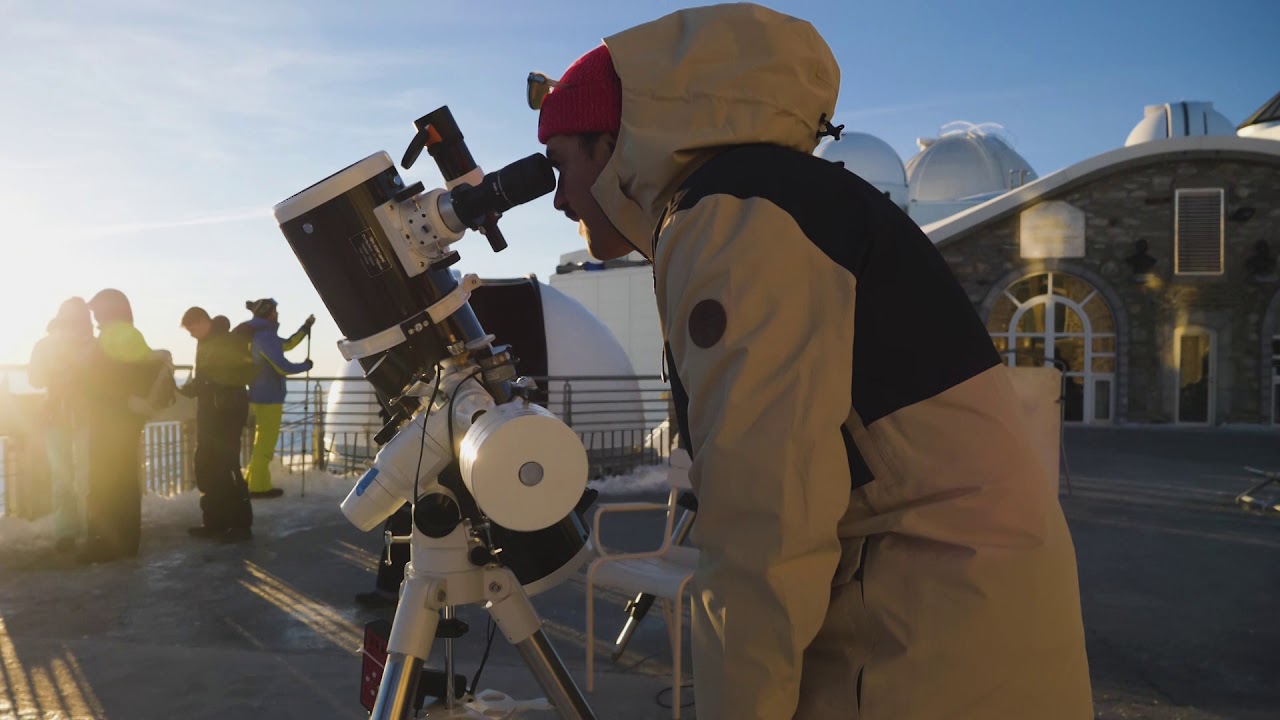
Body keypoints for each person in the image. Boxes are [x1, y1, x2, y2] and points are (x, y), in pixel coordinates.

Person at [531, 4, 1093, 718]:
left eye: (561, 165)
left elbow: (765, 520)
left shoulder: (732, 219)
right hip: (965, 618)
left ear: (610, 142)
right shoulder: (773, 198)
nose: (557, 198)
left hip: (921, 643)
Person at [80, 288, 169, 563]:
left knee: (109, 481)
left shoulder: (117, 335)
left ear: (109, 310)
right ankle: (124, 542)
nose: (95, 318)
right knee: (123, 480)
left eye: (97, 312)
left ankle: (108, 544)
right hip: (123, 418)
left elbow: (108, 378)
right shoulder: (126, 333)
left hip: (112, 419)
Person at [180, 307, 256, 541]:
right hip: (209, 413)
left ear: (203, 321)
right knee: (206, 465)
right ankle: (214, 521)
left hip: (226, 413)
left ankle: (240, 525)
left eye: (193, 328)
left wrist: (205, 385)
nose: (192, 334)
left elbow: (234, 375)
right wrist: (192, 388)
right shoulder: (205, 342)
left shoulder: (228, 341)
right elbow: (207, 376)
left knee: (226, 466)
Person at [27, 298, 95, 554]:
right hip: (85, 414)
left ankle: (67, 532)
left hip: (57, 414)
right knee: (86, 476)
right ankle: (89, 528)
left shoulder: (44, 345)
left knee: (64, 477)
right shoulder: (93, 345)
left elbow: (34, 379)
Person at [242, 298, 314, 498]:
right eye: (275, 310)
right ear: (268, 313)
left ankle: (252, 482)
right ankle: (257, 487)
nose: (278, 313)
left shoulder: (261, 335)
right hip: (269, 398)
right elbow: (282, 366)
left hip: (258, 395)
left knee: (261, 443)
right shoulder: (266, 337)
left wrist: (304, 328)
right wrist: (305, 366)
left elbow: (287, 344)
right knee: (265, 445)